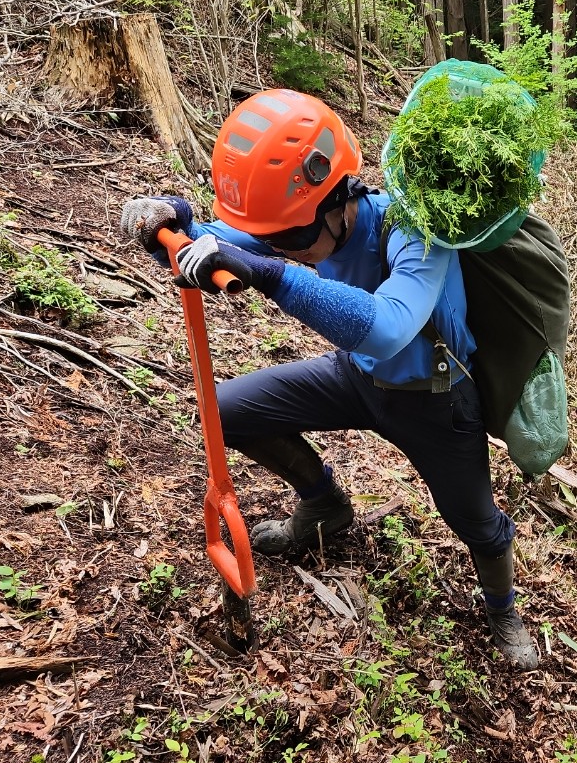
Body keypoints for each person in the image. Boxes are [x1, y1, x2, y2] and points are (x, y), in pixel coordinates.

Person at [120, 89, 539, 670]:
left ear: (339, 196)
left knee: (478, 524)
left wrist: (268, 272)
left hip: (436, 402)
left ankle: (502, 606)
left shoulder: (417, 232)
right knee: (227, 411)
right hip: (357, 378)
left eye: (290, 237)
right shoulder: (303, 220)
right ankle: (324, 506)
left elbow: (389, 327)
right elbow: (231, 235)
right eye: (275, 236)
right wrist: (171, 217)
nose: (280, 245)